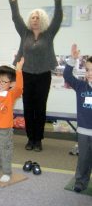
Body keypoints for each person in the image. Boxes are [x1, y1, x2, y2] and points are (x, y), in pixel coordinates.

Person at [9, 0, 63, 151]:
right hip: (26, 75)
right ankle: (30, 138)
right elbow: (15, 17)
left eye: (38, 17)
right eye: (33, 17)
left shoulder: (49, 33)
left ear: (43, 20)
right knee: (28, 107)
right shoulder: (24, 32)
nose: (35, 20)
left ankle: (38, 140)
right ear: (29, 20)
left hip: (43, 75)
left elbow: (59, 17)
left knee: (40, 108)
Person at [63, 44, 92, 192]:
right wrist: (72, 60)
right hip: (83, 132)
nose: (89, 73)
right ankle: (80, 182)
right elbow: (67, 76)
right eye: (88, 70)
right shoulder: (81, 86)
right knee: (83, 160)